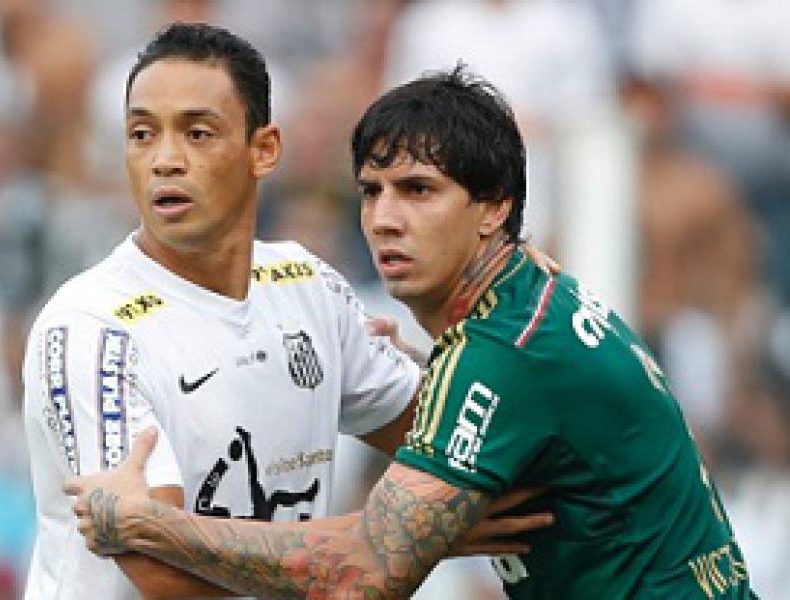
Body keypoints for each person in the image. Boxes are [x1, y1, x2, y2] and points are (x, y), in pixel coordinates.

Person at [66, 65, 757, 599]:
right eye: (372, 191)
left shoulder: (502, 354)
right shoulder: (530, 302)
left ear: (494, 208)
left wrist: (146, 522)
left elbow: (364, 577)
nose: (385, 219)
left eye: (418, 190)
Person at [24, 25, 551, 600]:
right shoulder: (93, 327)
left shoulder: (308, 286)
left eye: (197, 133)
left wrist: (477, 344)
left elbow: (469, 453)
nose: (165, 160)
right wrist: (392, 542)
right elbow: (164, 573)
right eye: (142, 134)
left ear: (265, 150)